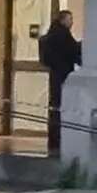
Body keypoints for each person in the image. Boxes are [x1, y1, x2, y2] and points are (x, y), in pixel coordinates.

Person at [37, 9, 81, 152]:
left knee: (54, 105)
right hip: (63, 74)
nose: (72, 22)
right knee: (61, 106)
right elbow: (73, 52)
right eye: (70, 19)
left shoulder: (51, 35)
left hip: (55, 75)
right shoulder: (63, 35)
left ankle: (54, 138)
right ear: (63, 20)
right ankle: (60, 138)